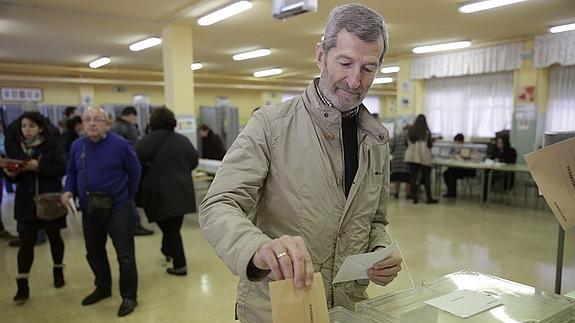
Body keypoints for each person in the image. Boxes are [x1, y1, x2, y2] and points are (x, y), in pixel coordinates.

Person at [199, 4, 402, 322]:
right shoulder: (271, 124)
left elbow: (375, 221)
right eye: (345, 63)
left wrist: (379, 252)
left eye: (368, 68)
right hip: (277, 308)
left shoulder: (374, 140)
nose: (354, 80)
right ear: (321, 55)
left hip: (346, 309)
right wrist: (257, 248)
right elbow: (218, 204)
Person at [61, 107, 141, 317]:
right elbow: (71, 171)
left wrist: (127, 196)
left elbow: (135, 171)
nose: (92, 123)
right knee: (94, 253)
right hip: (89, 209)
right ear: (82, 123)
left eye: (97, 119)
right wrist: (68, 190)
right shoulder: (78, 145)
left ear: (107, 123)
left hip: (118, 208)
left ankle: (129, 295)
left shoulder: (121, 145)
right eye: (87, 119)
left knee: (125, 256)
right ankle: (103, 287)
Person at [3, 112, 67, 303]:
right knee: (26, 243)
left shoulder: (52, 146)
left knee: (54, 237)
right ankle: (23, 285)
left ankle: (58, 269)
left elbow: (61, 169)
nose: (27, 130)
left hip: (49, 199)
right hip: (25, 202)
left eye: (31, 126)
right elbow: (14, 173)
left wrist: (38, 167)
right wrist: (10, 173)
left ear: (40, 127)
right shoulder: (16, 148)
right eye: (24, 126)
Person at [136, 107, 198, 276]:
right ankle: (168, 250)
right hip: (182, 191)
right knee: (172, 227)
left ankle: (180, 265)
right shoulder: (182, 140)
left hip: (157, 193)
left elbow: (136, 167)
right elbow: (194, 162)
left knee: (170, 229)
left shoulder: (144, 142)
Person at [111, 106, 153, 236]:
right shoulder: (129, 128)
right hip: (128, 167)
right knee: (130, 197)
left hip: (116, 168)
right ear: (131, 115)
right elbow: (136, 149)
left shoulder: (113, 128)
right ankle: (135, 225)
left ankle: (125, 224)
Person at [404, 114, 438, 204]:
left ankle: (414, 198)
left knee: (413, 178)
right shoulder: (426, 132)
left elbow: (406, 143)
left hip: (411, 157)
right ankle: (428, 198)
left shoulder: (410, 130)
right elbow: (429, 145)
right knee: (426, 178)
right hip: (423, 157)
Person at [442, 134, 477, 198]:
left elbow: (470, 158)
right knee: (447, 173)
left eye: (458, 143)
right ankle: (451, 192)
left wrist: (462, 156)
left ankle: (452, 193)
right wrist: (455, 154)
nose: (456, 145)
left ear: (462, 142)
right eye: (455, 143)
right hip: (458, 168)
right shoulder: (454, 148)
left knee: (450, 173)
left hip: (467, 169)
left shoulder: (467, 147)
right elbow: (450, 156)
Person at [389, 125, 411, 199]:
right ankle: (408, 194)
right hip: (407, 159)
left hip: (397, 158)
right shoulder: (410, 135)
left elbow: (391, 146)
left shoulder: (398, 135)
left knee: (397, 177)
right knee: (407, 178)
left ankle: (396, 193)